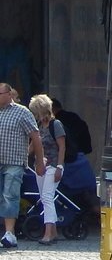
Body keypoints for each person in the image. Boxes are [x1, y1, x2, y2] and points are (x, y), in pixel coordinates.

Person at [0, 83, 45, 248]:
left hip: (14, 162)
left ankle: (10, 233)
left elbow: (36, 137)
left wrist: (39, 162)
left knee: (10, 196)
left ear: (9, 94)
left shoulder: (21, 112)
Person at [27, 94, 65, 245]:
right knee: (44, 198)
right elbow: (33, 145)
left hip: (54, 165)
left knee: (48, 197)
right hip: (40, 166)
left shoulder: (56, 125)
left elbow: (62, 147)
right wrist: (23, 157)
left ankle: (48, 233)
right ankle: (53, 231)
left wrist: (60, 168)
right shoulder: (38, 125)